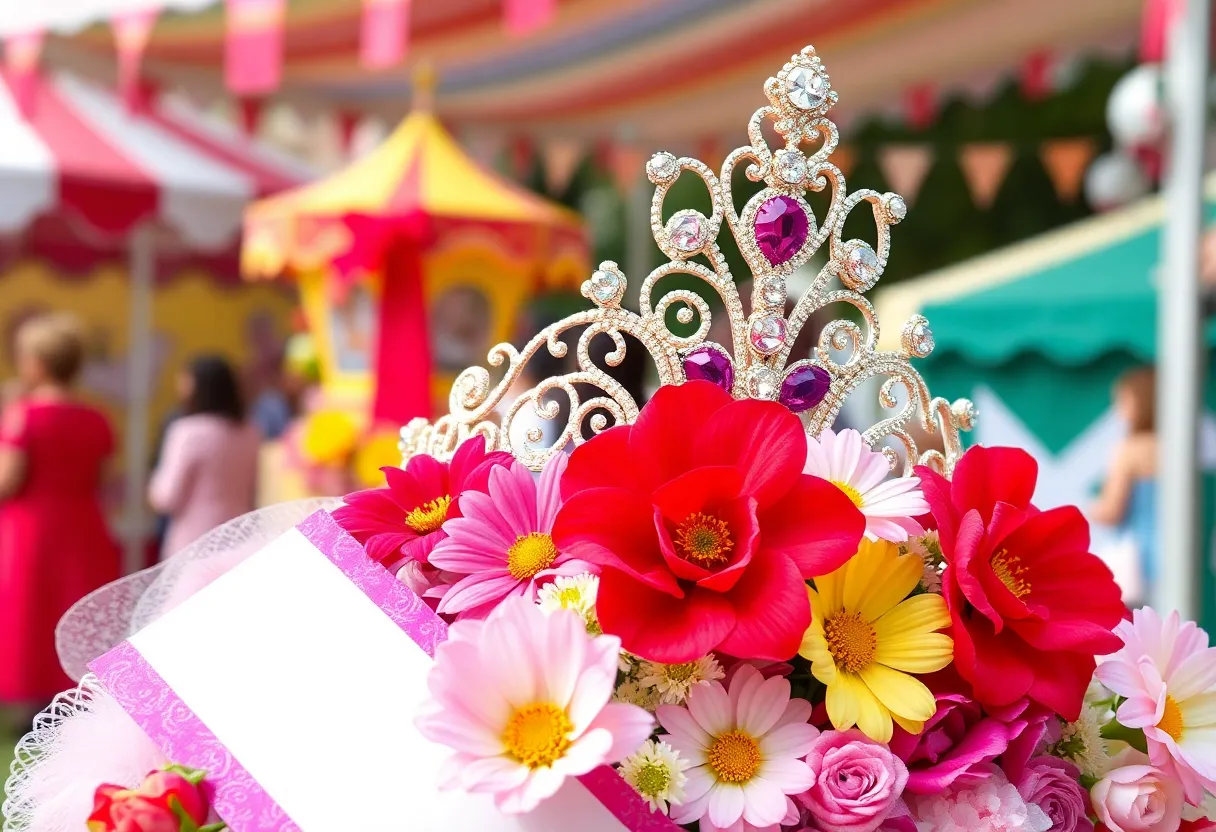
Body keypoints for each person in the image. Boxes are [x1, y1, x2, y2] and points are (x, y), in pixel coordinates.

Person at [0, 313, 121, 710]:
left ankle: (26, 706)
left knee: (26, 614)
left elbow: (7, 480)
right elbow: (102, 477)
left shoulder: (24, 415)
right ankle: (72, 697)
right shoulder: (96, 417)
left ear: (36, 362)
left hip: (30, 529)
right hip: (84, 527)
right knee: (72, 610)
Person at [149, 356, 260, 559]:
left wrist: (154, 480)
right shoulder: (249, 433)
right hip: (239, 539)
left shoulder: (186, 432)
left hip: (193, 543)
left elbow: (166, 497)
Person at [1091, 365, 1158, 600]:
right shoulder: (1180, 448)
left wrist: (1091, 509)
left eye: (1124, 401)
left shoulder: (1129, 451)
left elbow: (1112, 510)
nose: (1119, 410)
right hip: (1179, 557)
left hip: (1136, 563)